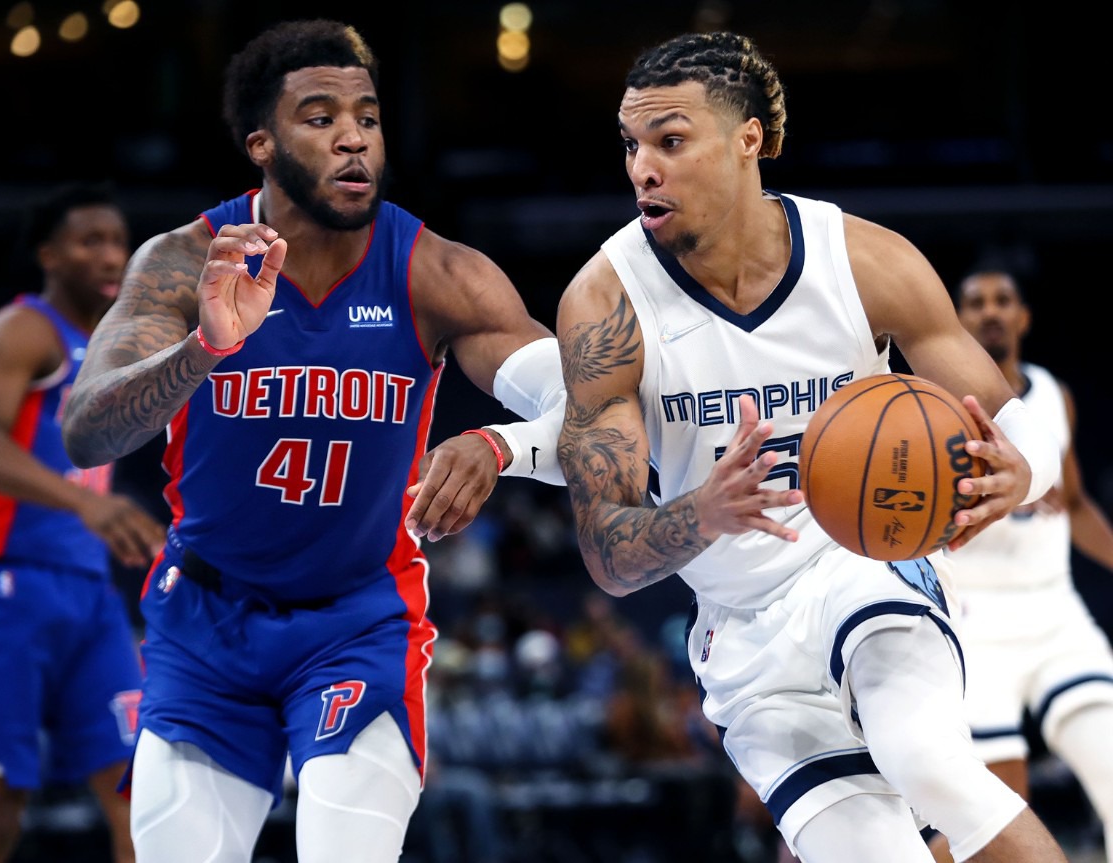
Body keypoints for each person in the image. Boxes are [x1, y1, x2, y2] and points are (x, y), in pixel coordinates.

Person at [59, 19, 565, 863]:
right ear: (261, 143)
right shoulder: (187, 262)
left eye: (366, 116)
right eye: (321, 117)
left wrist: (500, 445)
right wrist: (206, 348)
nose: (354, 138)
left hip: (356, 617)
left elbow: (581, 404)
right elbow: (88, 429)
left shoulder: (436, 272)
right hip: (205, 619)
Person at [554, 30, 1067, 863]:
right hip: (742, 632)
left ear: (747, 139)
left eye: (670, 141)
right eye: (632, 144)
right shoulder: (607, 304)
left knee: (929, 761)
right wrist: (703, 510)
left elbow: (1018, 419)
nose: (642, 167)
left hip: (864, 558)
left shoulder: (861, 260)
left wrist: (1023, 468)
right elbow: (608, 553)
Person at [0, 183, 166, 863]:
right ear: (49, 254)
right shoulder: (22, 330)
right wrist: (85, 503)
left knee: (138, 794)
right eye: (90, 240)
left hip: (89, 594)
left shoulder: (116, 347)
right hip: (1, 588)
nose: (110, 253)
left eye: (118, 240)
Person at [925, 268, 1113, 862]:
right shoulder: (929, 412)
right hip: (975, 621)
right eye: (976, 303)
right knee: (995, 823)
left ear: (1023, 318)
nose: (990, 312)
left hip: (1056, 615)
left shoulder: (1054, 396)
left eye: (1003, 300)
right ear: (956, 319)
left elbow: (1076, 504)